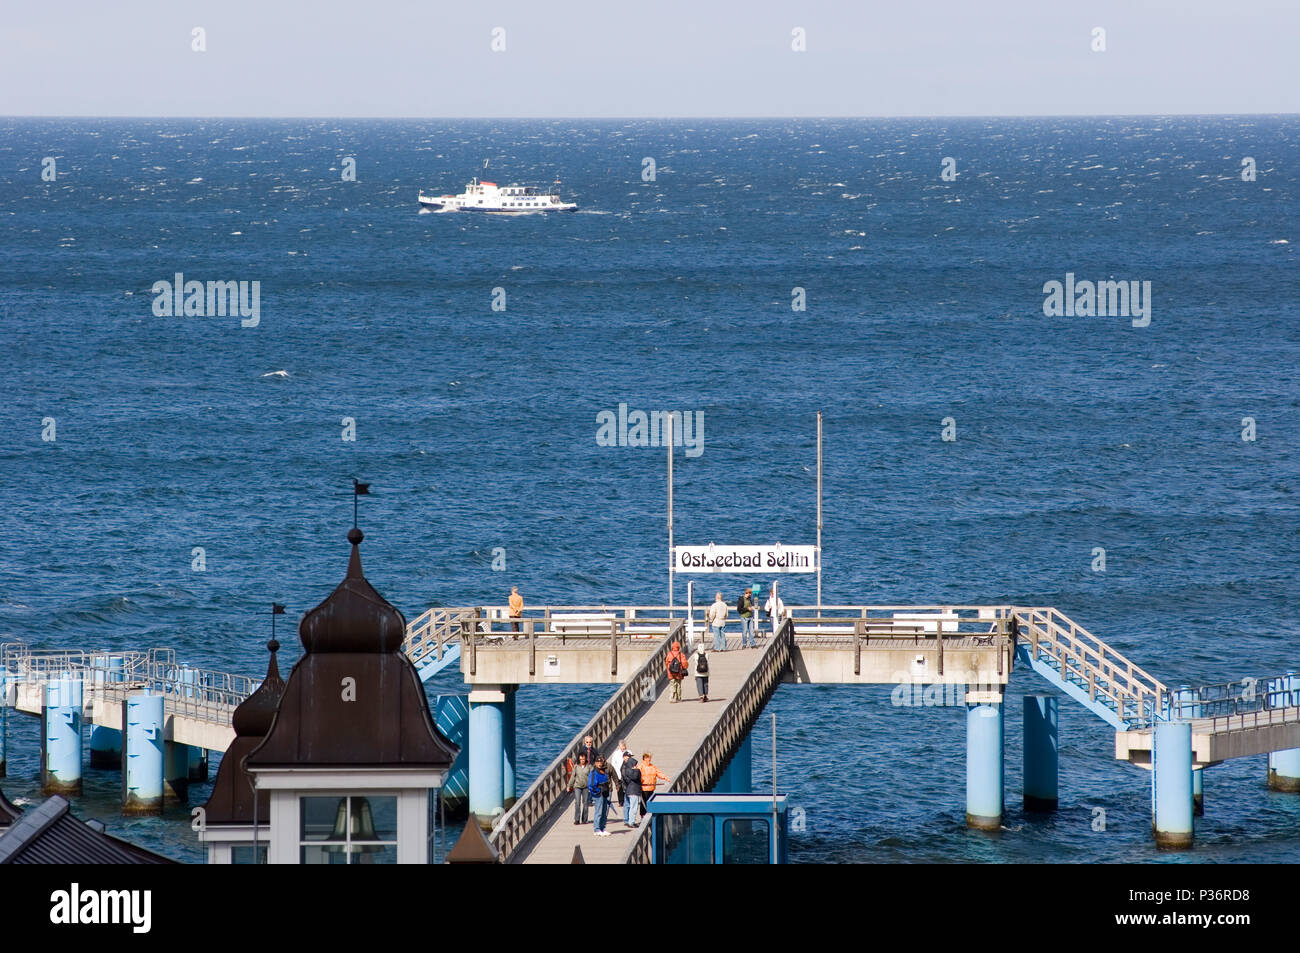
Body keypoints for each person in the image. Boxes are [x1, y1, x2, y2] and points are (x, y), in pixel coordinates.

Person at [607, 738, 631, 814]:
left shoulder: (629, 752)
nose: (623, 747)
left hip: (626, 772)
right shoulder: (616, 753)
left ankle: (626, 799)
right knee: (619, 787)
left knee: (626, 786)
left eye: (623, 746)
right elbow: (613, 763)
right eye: (621, 746)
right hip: (618, 772)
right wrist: (614, 772)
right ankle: (621, 801)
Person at [589, 756, 612, 836]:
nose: (599, 763)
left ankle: (602, 828)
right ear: (595, 763)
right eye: (598, 762)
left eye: (600, 762)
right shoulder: (593, 772)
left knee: (604, 812)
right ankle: (597, 829)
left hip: (605, 793)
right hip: (598, 795)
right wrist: (598, 791)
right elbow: (591, 785)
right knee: (598, 812)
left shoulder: (603, 771)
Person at [620, 752, 643, 827]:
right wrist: (637, 770)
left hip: (630, 789)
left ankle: (630, 821)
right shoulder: (629, 770)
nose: (636, 766)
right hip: (633, 790)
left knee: (630, 806)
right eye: (635, 764)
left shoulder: (627, 768)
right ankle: (631, 821)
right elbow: (635, 777)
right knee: (633, 806)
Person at [570, 752, 591, 825]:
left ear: (585, 759)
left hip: (586, 787)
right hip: (577, 787)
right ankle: (577, 819)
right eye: (581, 759)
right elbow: (573, 776)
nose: (582, 761)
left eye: (583, 759)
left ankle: (584, 819)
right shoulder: (576, 767)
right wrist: (569, 785)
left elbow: (592, 776)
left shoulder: (589, 767)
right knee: (577, 803)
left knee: (585, 803)